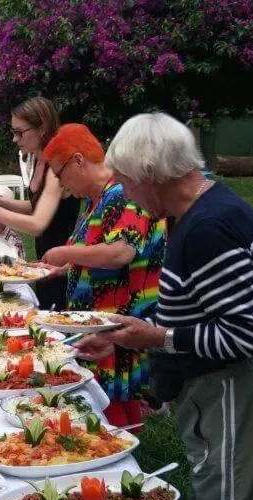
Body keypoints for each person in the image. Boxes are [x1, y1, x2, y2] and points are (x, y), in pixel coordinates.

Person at [77, 112, 253, 500]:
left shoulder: (208, 227)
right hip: (225, 383)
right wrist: (125, 334)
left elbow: (250, 332)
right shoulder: (195, 214)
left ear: (152, 174)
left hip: (242, 384)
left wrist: (157, 338)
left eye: (128, 182)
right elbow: (199, 311)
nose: (126, 195)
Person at [34, 123, 167, 428]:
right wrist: (63, 269)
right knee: (107, 410)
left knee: (112, 417)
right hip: (102, 326)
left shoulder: (120, 194)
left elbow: (121, 252)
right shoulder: (97, 198)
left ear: (78, 160)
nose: (59, 182)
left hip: (119, 325)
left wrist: (64, 253)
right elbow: (94, 252)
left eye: (59, 172)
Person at [0, 97, 81, 309]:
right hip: (45, 260)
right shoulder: (38, 160)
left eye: (19, 132)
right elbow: (37, 207)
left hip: (62, 262)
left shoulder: (57, 166)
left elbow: (37, 223)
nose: (14, 139)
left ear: (42, 128)